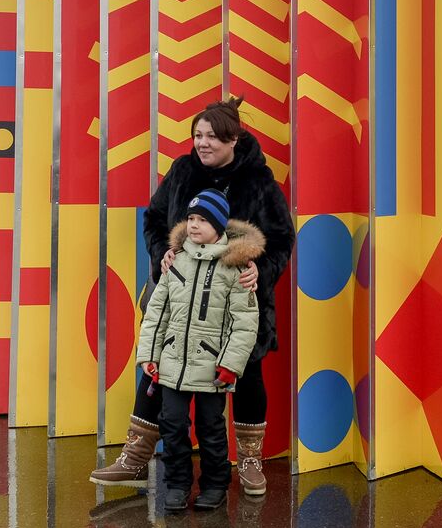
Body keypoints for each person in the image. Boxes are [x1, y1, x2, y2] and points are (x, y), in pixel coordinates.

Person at [90, 97, 294, 496]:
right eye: (197, 135)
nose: (202, 144)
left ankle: (250, 460)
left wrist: (261, 269)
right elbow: (152, 219)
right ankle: (135, 456)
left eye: (212, 137)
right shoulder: (182, 172)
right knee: (158, 374)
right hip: (179, 303)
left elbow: (283, 237)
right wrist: (161, 253)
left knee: (247, 375)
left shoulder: (259, 182)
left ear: (233, 138)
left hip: (235, 307)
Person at [135, 189, 262, 511]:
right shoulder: (176, 261)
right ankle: (177, 484)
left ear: (218, 226)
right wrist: (149, 354)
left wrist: (230, 365)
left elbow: (245, 323)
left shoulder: (236, 269)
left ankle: (215, 485)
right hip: (172, 364)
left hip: (211, 368)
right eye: (190, 218)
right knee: (173, 424)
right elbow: (157, 312)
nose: (193, 225)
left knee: (211, 428)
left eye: (202, 220)